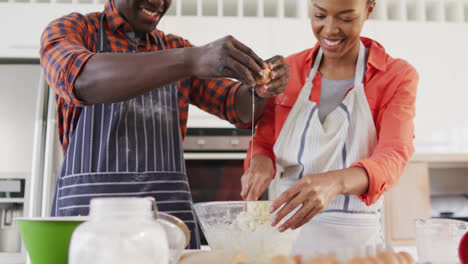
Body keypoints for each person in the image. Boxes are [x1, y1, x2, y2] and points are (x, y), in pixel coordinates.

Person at [39, 0, 290, 249]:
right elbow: (81, 78)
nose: (159, 2)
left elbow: (237, 107)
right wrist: (190, 60)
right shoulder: (73, 30)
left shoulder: (174, 48)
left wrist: (261, 90)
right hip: (91, 232)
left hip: (167, 232)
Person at [240, 0, 418, 253]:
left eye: (345, 18)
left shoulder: (395, 75)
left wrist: (335, 182)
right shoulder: (288, 70)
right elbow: (265, 140)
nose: (330, 29)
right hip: (284, 242)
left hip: (355, 245)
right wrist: (259, 161)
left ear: (369, 9)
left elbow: (394, 154)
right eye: (320, 15)